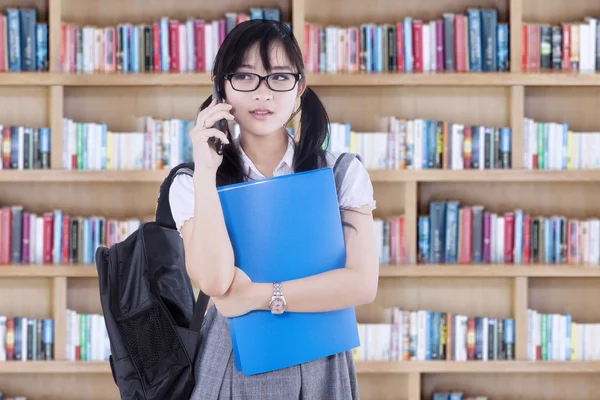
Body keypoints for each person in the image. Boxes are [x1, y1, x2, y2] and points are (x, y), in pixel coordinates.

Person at [168, 18, 379, 400]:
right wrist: (205, 170)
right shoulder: (191, 182)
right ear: (221, 87)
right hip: (233, 359)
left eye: (279, 77)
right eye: (245, 77)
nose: (262, 94)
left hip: (322, 360)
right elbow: (215, 282)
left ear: (299, 88)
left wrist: (260, 295)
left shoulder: (340, 172)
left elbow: (361, 284)